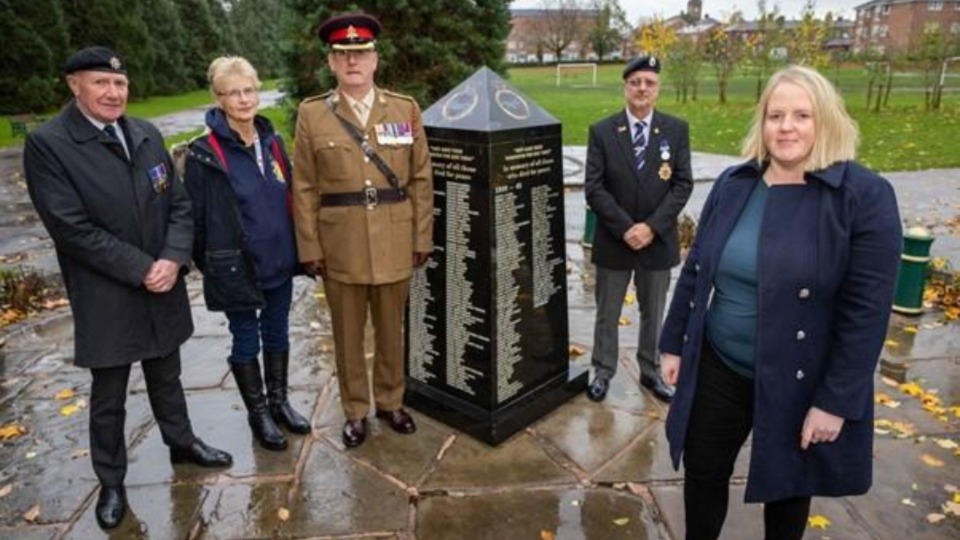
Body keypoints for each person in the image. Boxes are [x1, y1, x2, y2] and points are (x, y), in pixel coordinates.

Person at [658, 65, 902, 540]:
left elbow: (865, 315)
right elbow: (696, 270)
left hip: (799, 377)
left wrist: (835, 402)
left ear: (825, 120)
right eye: (775, 115)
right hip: (720, 364)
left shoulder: (864, 197)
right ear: (762, 123)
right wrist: (673, 343)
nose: (785, 126)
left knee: (787, 489)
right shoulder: (734, 184)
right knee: (702, 470)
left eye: (801, 115)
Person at [22, 46, 233, 530]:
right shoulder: (50, 144)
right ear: (74, 85)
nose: (114, 92)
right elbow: (70, 227)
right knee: (110, 392)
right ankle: (112, 480)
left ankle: (182, 444)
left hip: (161, 280)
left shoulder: (144, 133)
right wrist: (143, 268)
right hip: (107, 291)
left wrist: (173, 258)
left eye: (120, 84)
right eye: (101, 83)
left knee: (167, 373)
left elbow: (179, 204)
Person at [291, 12, 433, 449]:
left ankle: (390, 402)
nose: (353, 61)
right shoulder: (313, 114)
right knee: (347, 334)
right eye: (343, 54)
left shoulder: (404, 108)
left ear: (375, 60)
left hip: (394, 236)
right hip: (341, 243)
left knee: (393, 330)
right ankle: (355, 410)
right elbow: (303, 185)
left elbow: (421, 179)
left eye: (361, 53)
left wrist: (421, 238)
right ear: (332, 63)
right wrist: (310, 246)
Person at [182, 56, 310, 452]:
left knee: (277, 330)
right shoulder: (204, 153)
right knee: (245, 338)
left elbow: (286, 195)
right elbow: (195, 218)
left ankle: (279, 401)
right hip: (237, 266)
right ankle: (259, 415)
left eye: (249, 90)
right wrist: (212, 266)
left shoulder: (272, 141)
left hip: (279, 258)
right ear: (218, 99)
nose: (243, 99)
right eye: (233, 93)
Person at [584, 55, 693, 404]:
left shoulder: (676, 130)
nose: (642, 88)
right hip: (616, 240)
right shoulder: (602, 131)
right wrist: (627, 228)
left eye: (649, 82)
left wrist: (651, 228)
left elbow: (682, 184)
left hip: (656, 241)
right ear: (625, 87)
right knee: (608, 311)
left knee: (654, 311)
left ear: (658, 88)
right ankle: (602, 370)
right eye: (635, 82)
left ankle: (650, 370)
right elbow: (594, 187)